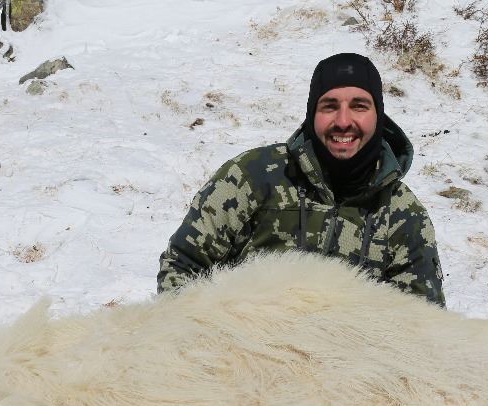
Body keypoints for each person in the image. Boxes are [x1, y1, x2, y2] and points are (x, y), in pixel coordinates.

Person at [157, 52, 445, 307]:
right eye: (329, 106)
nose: (343, 121)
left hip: (350, 349)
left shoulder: (403, 215)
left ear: (378, 114)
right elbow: (182, 266)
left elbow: (421, 322)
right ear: (311, 113)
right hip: (239, 345)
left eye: (359, 106)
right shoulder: (252, 176)